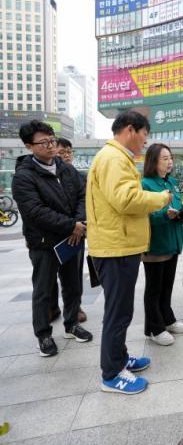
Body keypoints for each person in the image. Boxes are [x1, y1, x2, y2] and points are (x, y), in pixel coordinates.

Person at [87, 111, 171, 395]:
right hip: (115, 248)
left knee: (121, 309)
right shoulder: (113, 159)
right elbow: (126, 200)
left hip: (119, 245)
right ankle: (111, 374)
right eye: (145, 134)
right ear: (131, 130)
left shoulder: (117, 157)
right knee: (118, 312)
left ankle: (120, 358)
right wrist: (161, 198)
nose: (146, 141)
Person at [11, 121, 93, 357]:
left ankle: (72, 324)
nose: (50, 146)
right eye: (44, 142)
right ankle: (43, 335)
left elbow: (83, 195)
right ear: (29, 146)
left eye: (52, 140)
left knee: (73, 285)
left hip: (73, 239)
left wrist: (79, 223)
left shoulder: (66, 169)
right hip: (44, 243)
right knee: (44, 289)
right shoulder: (24, 176)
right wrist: (71, 225)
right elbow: (35, 212)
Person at [141, 143, 183, 346]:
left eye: (170, 158)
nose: (170, 162)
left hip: (172, 242)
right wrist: (164, 215)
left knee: (167, 286)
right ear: (153, 161)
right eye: (165, 158)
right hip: (156, 244)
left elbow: (178, 206)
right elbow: (144, 215)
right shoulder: (145, 184)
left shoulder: (172, 182)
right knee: (154, 288)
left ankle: (167, 319)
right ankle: (154, 328)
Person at [49, 138, 87, 324]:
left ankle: (75, 306)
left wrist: (77, 225)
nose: (66, 156)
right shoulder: (43, 175)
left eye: (69, 152)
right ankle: (51, 307)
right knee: (48, 274)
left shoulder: (79, 176)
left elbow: (84, 201)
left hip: (76, 234)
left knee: (74, 275)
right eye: (62, 152)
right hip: (50, 234)